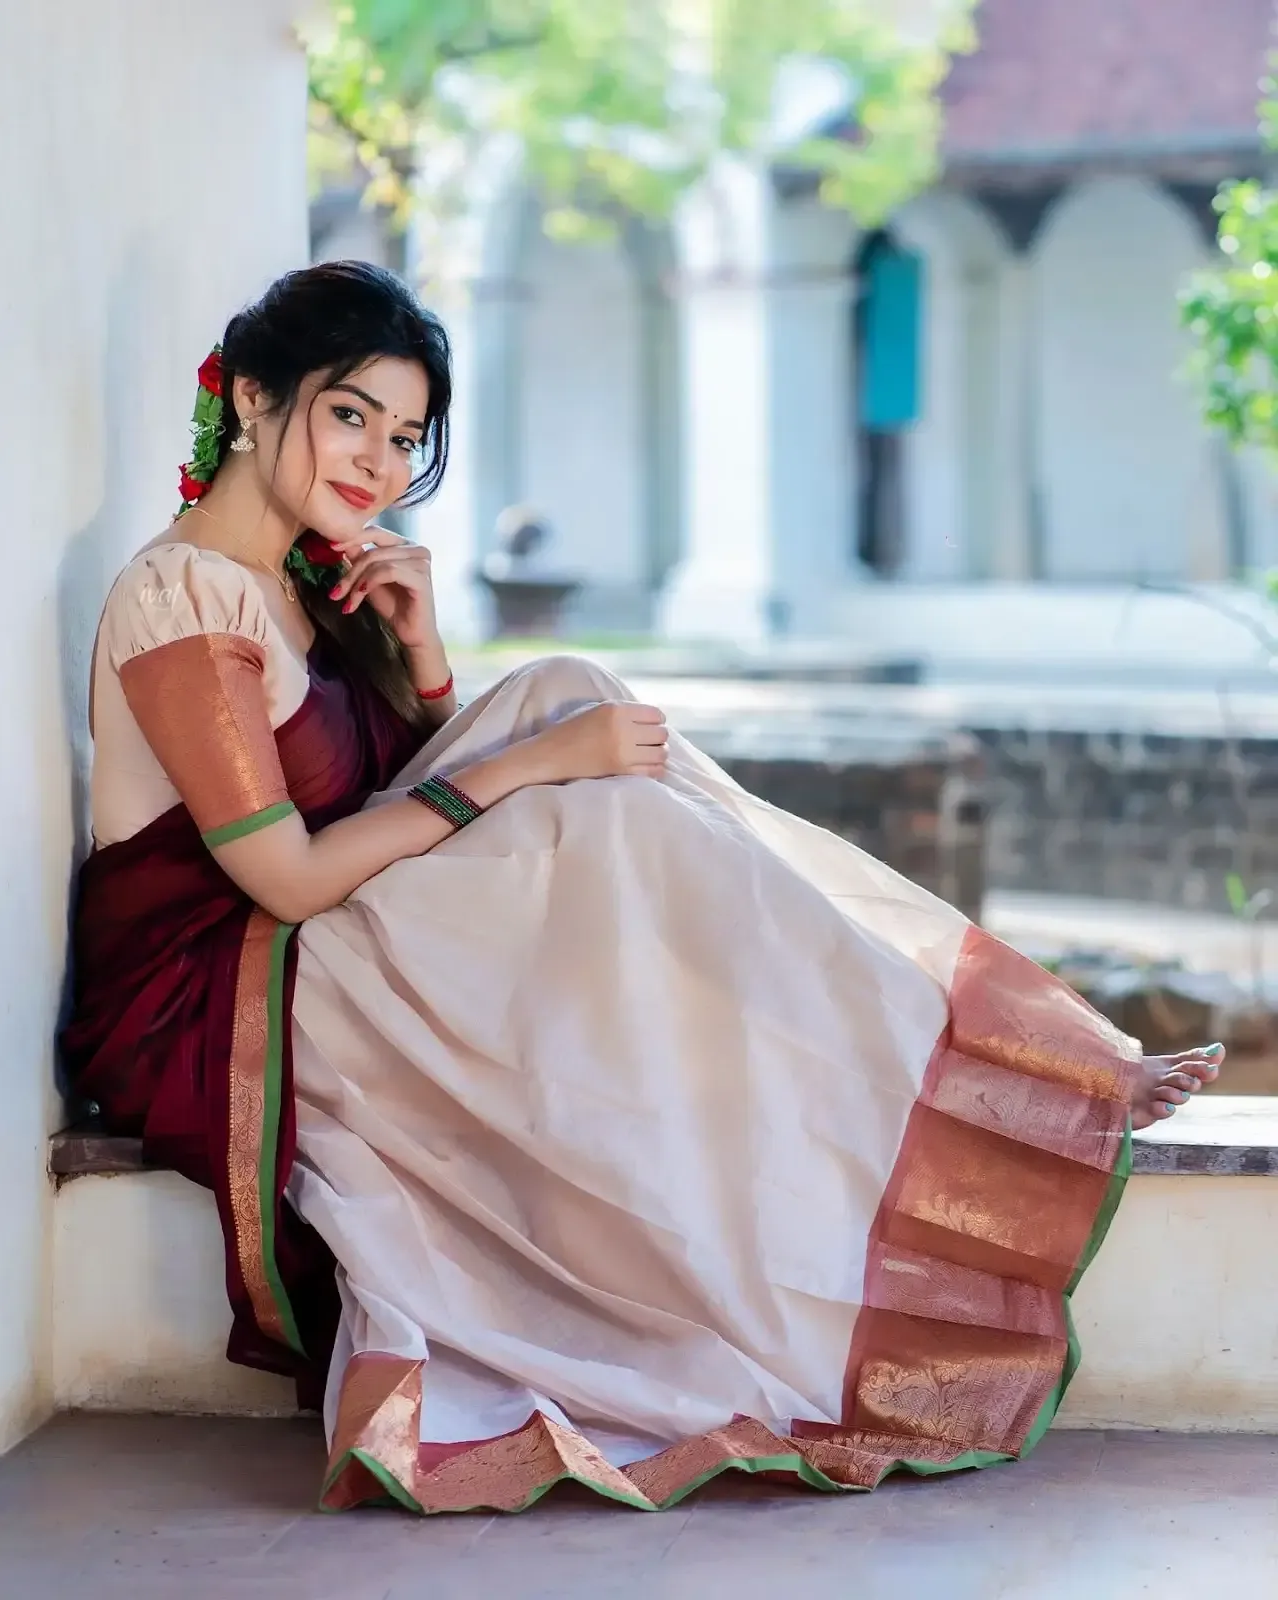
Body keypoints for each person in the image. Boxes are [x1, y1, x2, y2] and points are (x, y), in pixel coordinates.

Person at [63, 261, 1223, 1515]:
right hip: (215, 996)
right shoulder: (180, 598)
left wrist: (431, 664)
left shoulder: (300, 583)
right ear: (251, 397)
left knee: (570, 688)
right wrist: (526, 768)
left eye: (404, 437)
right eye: (350, 416)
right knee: (587, 794)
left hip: (305, 936)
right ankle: (961, 1054)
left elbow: (395, 793)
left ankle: (944, 1042)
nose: (380, 463)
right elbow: (285, 877)